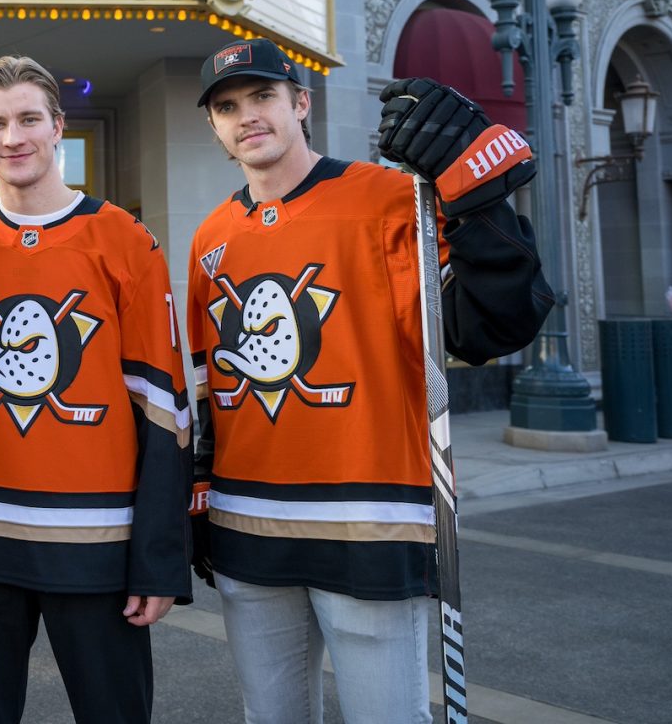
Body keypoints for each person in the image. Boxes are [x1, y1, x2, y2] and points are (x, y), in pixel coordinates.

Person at [188, 37, 553, 723]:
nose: (247, 117)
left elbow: (491, 325)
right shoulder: (211, 237)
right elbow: (216, 383)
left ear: (300, 103)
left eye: (263, 96)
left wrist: (475, 204)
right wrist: (201, 489)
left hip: (371, 518)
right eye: (228, 106)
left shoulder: (391, 200)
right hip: (247, 522)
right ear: (214, 126)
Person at [0, 55, 192, 724]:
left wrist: (158, 560)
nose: (12, 137)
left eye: (28, 119)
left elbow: (164, 407)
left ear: (58, 127)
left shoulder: (122, 238)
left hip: (94, 540)